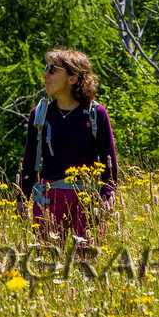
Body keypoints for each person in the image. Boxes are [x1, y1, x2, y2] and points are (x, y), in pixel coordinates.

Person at [17, 49, 119, 243]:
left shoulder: (95, 114)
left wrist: (107, 199)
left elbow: (109, 161)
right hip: (48, 199)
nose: (45, 74)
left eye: (52, 69)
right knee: (47, 262)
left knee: (86, 261)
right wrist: (22, 198)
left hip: (87, 200)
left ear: (73, 79)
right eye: (46, 69)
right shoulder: (40, 114)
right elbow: (29, 160)